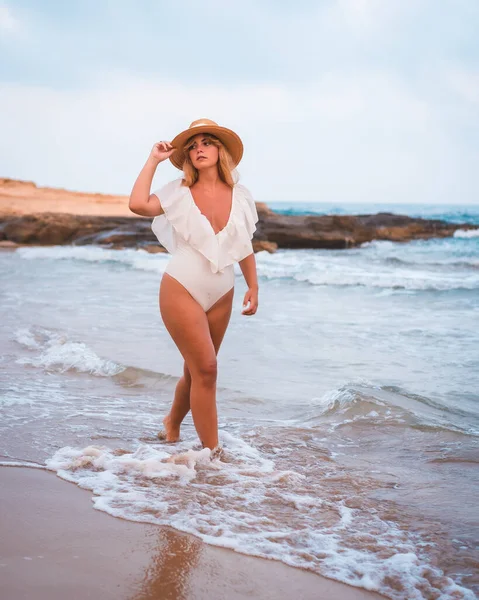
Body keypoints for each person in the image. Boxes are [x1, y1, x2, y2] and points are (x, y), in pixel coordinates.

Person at [128, 119, 259, 453]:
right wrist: (153, 160)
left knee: (196, 370)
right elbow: (138, 205)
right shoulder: (178, 191)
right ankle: (213, 455)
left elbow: (243, 244)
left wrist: (253, 286)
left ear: (221, 151)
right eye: (193, 145)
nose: (199, 149)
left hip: (223, 291)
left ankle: (172, 423)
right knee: (208, 369)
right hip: (182, 285)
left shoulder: (241, 196)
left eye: (207, 142)